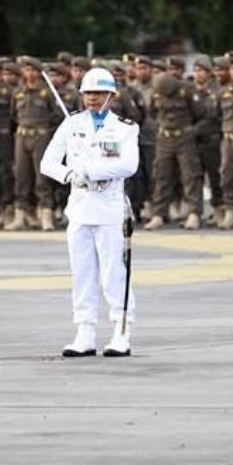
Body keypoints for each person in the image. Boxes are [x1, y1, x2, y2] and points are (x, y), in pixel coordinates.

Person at [40, 67, 141, 358]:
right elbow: (48, 162)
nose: (92, 98)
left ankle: (121, 330)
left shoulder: (125, 127)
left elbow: (128, 165)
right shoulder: (72, 124)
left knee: (114, 273)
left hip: (110, 207)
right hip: (80, 208)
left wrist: (91, 170)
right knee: (82, 274)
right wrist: (70, 174)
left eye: (97, 93)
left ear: (111, 95)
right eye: (87, 93)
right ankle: (84, 331)